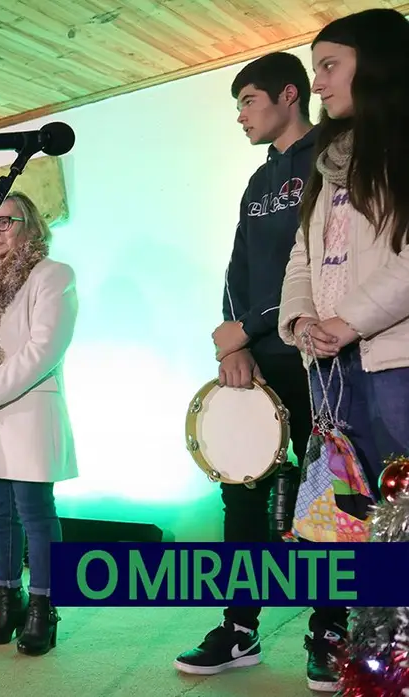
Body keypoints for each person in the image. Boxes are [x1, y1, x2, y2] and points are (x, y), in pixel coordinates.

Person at [175, 52, 347, 689]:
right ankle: (239, 626)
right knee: (241, 494)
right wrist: (233, 346)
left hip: (323, 357)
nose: (241, 116)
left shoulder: (333, 159)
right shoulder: (258, 182)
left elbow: (320, 268)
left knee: (328, 499)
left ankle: (329, 630)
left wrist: (250, 327)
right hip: (258, 361)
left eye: (248, 101)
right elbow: (237, 271)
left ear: (289, 94)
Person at [279, 14, 409, 690]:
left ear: (376, 62)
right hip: (331, 368)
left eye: (329, 63)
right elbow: (302, 256)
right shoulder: (323, 163)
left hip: (395, 362)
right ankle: (377, 662)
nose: (318, 79)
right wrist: (302, 318)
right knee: (360, 526)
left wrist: (351, 320)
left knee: (404, 519)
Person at [0, 192, 77, 657]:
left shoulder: (53, 275)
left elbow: (44, 348)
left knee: (34, 512)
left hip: (25, 406)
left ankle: (45, 608)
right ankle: (9, 600)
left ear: (31, 224)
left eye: (6, 220)